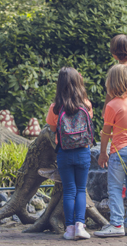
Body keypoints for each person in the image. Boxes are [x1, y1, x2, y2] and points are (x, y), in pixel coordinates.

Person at [94, 64, 127, 237]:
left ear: (111, 82)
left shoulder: (113, 105)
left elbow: (106, 132)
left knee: (115, 188)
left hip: (119, 152)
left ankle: (116, 225)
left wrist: (103, 153)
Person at [45, 67, 93, 240]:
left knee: (69, 191)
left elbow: (52, 128)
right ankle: (81, 226)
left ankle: (70, 229)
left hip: (64, 153)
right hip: (83, 151)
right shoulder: (86, 105)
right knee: (81, 189)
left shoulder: (55, 108)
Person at [103, 35, 127, 114]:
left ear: (115, 53)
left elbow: (110, 91)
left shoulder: (118, 71)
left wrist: (105, 109)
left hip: (120, 103)